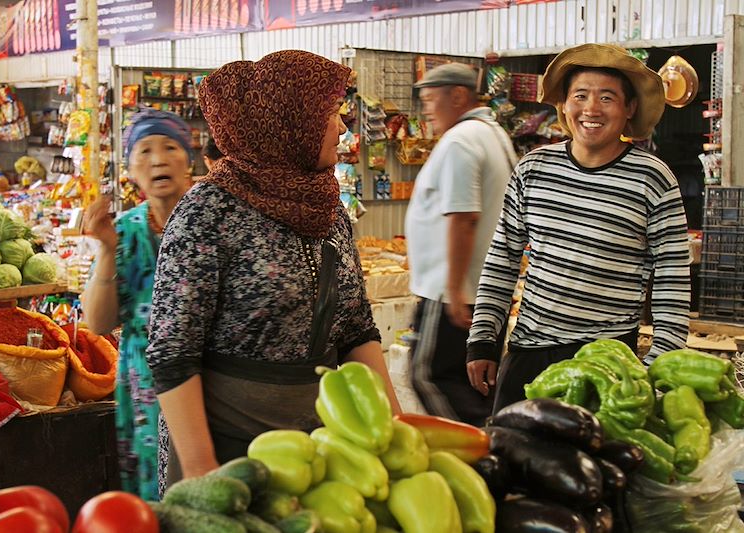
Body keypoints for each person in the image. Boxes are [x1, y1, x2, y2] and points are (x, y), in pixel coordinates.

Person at [146, 50, 401, 482]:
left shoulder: (327, 209)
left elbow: (356, 330)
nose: (342, 127)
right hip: (225, 447)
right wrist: (202, 472)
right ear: (287, 122)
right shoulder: (207, 211)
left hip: (317, 446)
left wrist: (397, 430)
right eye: (331, 114)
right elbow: (173, 352)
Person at [466, 44, 691, 414]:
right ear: (565, 106)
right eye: (580, 96)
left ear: (629, 108)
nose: (591, 109)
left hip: (608, 364)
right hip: (529, 354)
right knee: (510, 462)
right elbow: (502, 260)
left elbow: (672, 276)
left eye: (607, 98)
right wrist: (483, 340)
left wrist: (661, 362)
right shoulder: (533, 168)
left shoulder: (653, 178)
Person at [81, 109, 195, 500]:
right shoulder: (124, 230)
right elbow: (97, 323)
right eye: (145, 150)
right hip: (145, 386)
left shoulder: (208, 223)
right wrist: (108, 251)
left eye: (170, 147)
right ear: (131, 169)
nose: (159, 159)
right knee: (153, 495)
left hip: (204, 378)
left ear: (188, 160)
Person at [404, 62, 517, 425]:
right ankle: (494, 448)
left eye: (429, 99)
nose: (426, 110)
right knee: (476, 380)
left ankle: (476, 448)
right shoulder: (492, 134)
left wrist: (452, 290)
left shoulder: (461, 140)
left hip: (453, 292)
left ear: (457, 95)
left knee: (428, 374)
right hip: (484, 290)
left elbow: (463, 218)